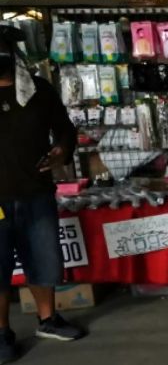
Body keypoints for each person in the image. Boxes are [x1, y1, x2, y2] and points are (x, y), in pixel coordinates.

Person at [0, 25, 86, 363]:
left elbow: (65, 129)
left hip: (37, 193)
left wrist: (62, 150)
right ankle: (2, 333)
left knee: (44, 258)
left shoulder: (38, 91)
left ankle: (48, 319)